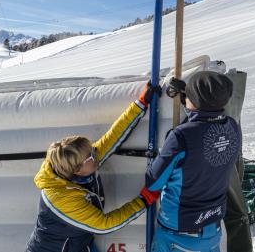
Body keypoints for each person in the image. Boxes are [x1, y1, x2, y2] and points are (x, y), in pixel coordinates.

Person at [26, 82, 161, 252]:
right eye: (90, 155)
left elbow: (111, 139)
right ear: (77, 170)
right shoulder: (62, 198)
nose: (95, 154)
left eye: (91, 149)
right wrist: (143, 200)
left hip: (79, 244)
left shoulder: (81, 163)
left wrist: (140, 104)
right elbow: (105, 225)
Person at [146, 71, 241, 252]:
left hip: (178, 234)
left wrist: (163, 151)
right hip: (212, 229)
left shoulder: (180, 137)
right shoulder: (232, 127)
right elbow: (205, 131)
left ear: (196, 100)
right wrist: (189, 98)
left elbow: (153, 182)